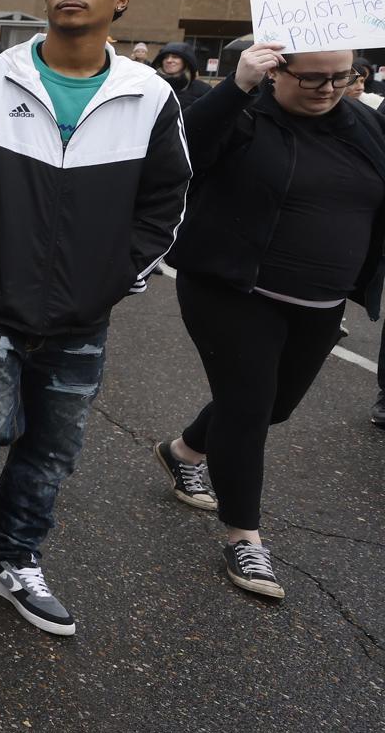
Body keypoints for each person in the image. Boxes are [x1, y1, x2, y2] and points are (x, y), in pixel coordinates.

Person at [0, 0, 190, 637]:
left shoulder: (150, 95)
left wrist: (114, 279)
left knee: (53, 444)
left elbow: (167, 201)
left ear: (120, 0)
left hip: (82, 314)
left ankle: (11, 555)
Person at [152, 42, 385, 600]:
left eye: (340, 77)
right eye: (312, 79)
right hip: (232, 288)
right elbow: (181, 149)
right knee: (249, 405)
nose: (328, 88)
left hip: (321, 301)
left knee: (273, 406)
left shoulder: (365, 125)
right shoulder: (244, 113)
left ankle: (184, 451)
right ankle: (244, 537)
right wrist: (236, 86)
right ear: (278, 72)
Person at [152, 41, 212, 110]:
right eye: (165, 57)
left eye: (175, 57)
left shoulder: (202, 90)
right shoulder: (153, 86)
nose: (169, 60)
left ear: (186, 61)